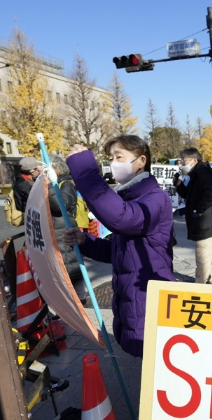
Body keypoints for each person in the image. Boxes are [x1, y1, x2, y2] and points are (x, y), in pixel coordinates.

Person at [62, 135, 175, 357]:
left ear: (141, 160)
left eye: (119, 156)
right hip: (131, 298)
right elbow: (118, 252)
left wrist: (85, 172)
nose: (113, 163)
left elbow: (123, 219)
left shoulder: (155, 198)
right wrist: (87, 242)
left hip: (148, 295)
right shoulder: (129, 198)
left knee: (154, 365)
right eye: (111, 157)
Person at [174, 148, 212, 285]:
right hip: (208, 224)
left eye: (184, 160)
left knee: (202, 260)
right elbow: (187, 194)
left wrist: (198, 210)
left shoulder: (202, 172)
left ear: (194, 160)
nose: (182, 163)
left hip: (205, 225)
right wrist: (178, 184)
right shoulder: (194, 173)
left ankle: (199, 286)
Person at [46, 154, 85, 302]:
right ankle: (71, 298)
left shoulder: (65, 184)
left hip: (64, 229)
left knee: (70, 264)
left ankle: (79, 298)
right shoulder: (59, 184)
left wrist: (50, 185)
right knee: (63, 264)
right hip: (56, 229)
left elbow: (59, 205)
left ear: (55, 169)